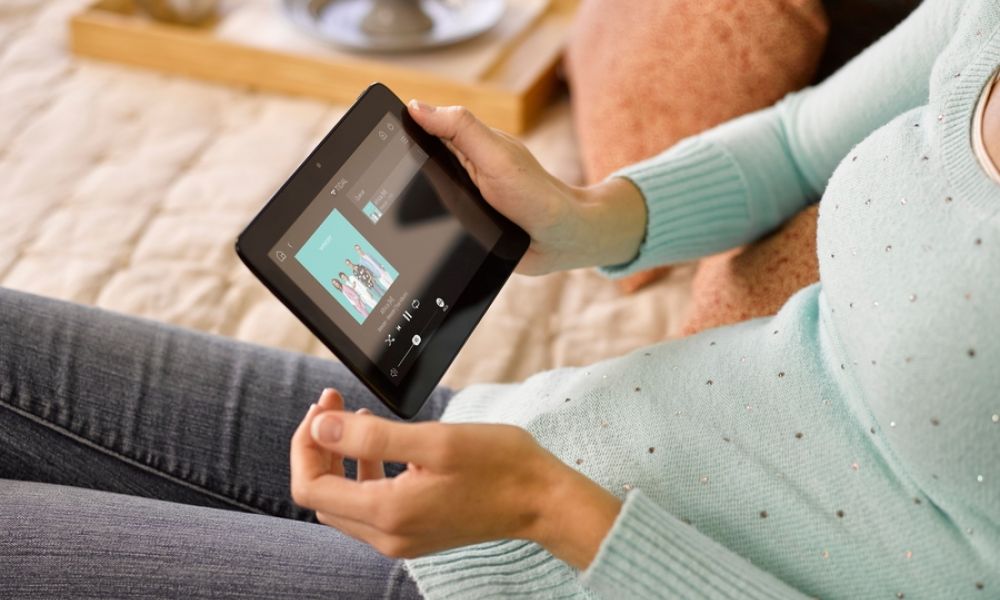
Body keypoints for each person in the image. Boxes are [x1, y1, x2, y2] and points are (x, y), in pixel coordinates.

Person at [1, 1, 997, 598]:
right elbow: (790, 144)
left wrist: (545, 506)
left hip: (562, 558)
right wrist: (580, 216)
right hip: (514, 444)